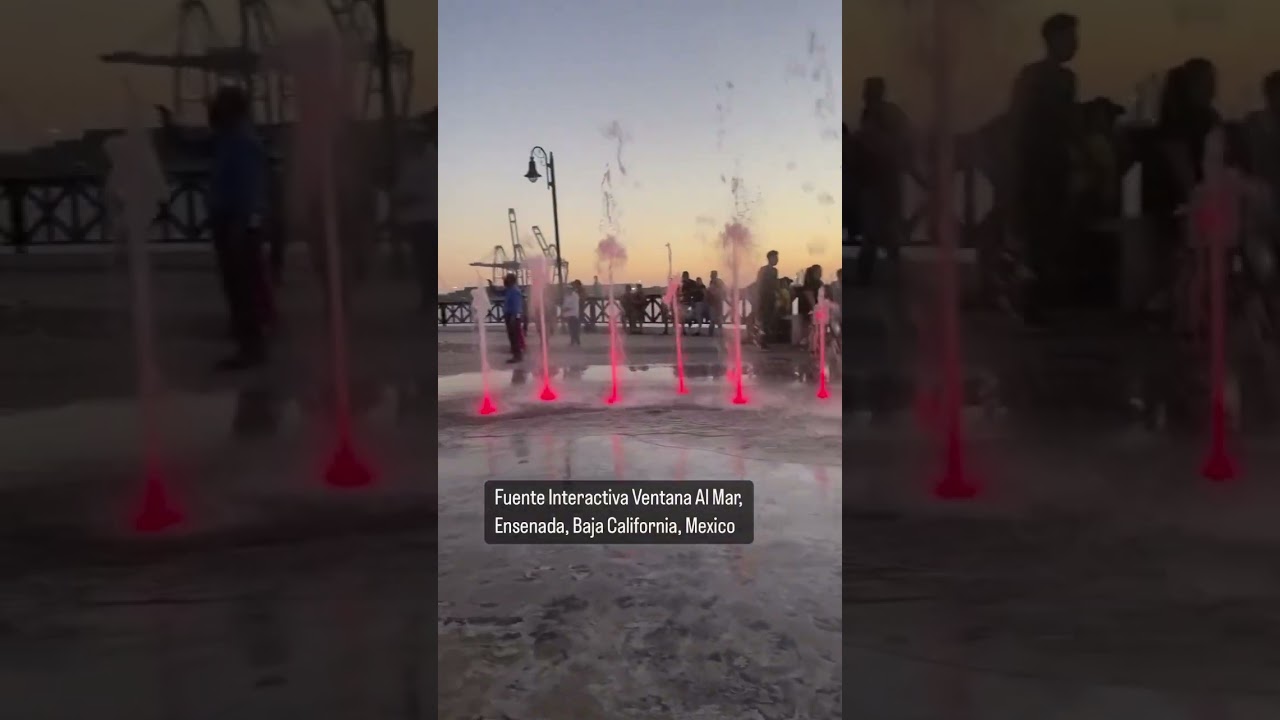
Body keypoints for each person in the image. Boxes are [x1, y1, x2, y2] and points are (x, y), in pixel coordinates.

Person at [177, 86, 270, 370]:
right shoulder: (229, 138)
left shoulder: (241, 141)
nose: (212, 111)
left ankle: (252, 348)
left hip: (236, 224)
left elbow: (247, 190)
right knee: (238, 287)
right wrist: (173, 130)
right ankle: (249, 345)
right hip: (231, 222)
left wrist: (241, 226)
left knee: (241, 287)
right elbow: (196, 146)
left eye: (218, 106)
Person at [1008, 12, 1081, 326]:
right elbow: (1021, 121)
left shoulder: (1062, 79)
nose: (1074, 44)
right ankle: (1030, 299)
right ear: (1052, 40)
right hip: (1037, 163)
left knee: (1046, 233)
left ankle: (1036, 299)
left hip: (1051, 163)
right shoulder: (1040, 78)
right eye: (1069, 37)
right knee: (1039, 233)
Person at [1142, 58, 1222, 328]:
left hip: (1192, 192)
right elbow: (1177, 159)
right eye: (1209, 80)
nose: (1214, 86)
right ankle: (1177, 300)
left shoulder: (1206, 117)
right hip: (1178, 194)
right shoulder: (1180, 119)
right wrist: (1195, 195)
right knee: (1185, 250)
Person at [854, 78, 912, 286]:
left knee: (876, 230)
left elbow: (871, 143)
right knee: (886, 229)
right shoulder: (889, 113)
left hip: (877, 180)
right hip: (883, 179)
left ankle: (869, 276)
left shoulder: (875, 114)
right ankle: (893, 275)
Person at [394, 108, 437, 311]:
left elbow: (428, 190)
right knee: (421, 262)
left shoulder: (431, 161)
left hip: (428, 219)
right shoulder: (411, 161)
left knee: (428, 262)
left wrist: (407, 197)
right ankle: (427, 297)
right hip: (415, 219)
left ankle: (429, 298)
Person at [756, 250, 780, 348]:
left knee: (769, 319)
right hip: (764, 297)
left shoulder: (775, 271)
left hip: (771, 297)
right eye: (775, 257)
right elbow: (759, 283)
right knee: (765, 319)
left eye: (777, 258)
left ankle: (765, 340)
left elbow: (775, 284)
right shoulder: (764, 270)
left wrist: (777, 294)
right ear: (769, 258)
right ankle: (762, 341)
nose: (777, 260)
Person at [502, 273, 525, 363]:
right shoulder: (509, 289)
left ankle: (517, 356)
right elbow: (499, 292)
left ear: (511, 280)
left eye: (507, 279)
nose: (505, 280)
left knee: (514, 336)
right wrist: (491, 286)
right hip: (510, 316)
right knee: (512, 336)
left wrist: (514, 317)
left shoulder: (514, 291)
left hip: (513, 317)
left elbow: (517, 306)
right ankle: (516, 355)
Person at [563, 279, 583, 346]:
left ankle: (576, 341)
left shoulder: (575, 296)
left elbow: (573, 306)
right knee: (571, 328)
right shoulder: (567, 296)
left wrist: (565, 309)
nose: (568, 290)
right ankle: (575, 340)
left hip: (574, 314)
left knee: (574, 328)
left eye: (569, 289)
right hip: (569, 314)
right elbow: (565, 304)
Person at [707, 270, 726, 335]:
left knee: (715, 318)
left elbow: (712, 291)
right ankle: (719, 332)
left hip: (715, 302)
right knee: (718, 317)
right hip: (716, 302)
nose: (710, 276)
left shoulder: (715, 282)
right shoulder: (716, 281)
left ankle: (712, 332)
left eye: (711, 274)